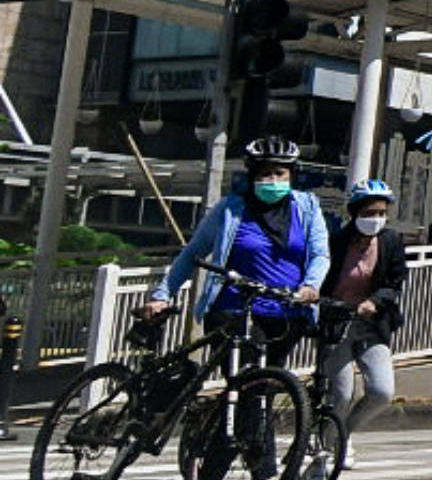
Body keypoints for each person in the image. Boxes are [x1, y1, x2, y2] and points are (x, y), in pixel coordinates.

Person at [149, 135, 328, 339]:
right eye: (265, 174)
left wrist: (311, 285)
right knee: (242, 368)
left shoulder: (308, 207)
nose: (273, 180)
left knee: (272, 371)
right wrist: (161, 296)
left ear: (291, 175)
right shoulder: (229, 210)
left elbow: (320, 254)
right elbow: (192, 253)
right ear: (252, 176)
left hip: (288, 313)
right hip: (234, 311)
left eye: (280, 173)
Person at [316, 178, 410, 440]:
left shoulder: (390, 241)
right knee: (341, 394)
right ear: (354, 213)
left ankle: (341, 439)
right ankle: (323, 450)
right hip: (337, 324)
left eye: (381, 213)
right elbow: (321, 275)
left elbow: (396, 280)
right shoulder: (336, 241)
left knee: (382, 392)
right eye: (369, 213)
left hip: (372, 326)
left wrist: (375, 301)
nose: (376, 219)